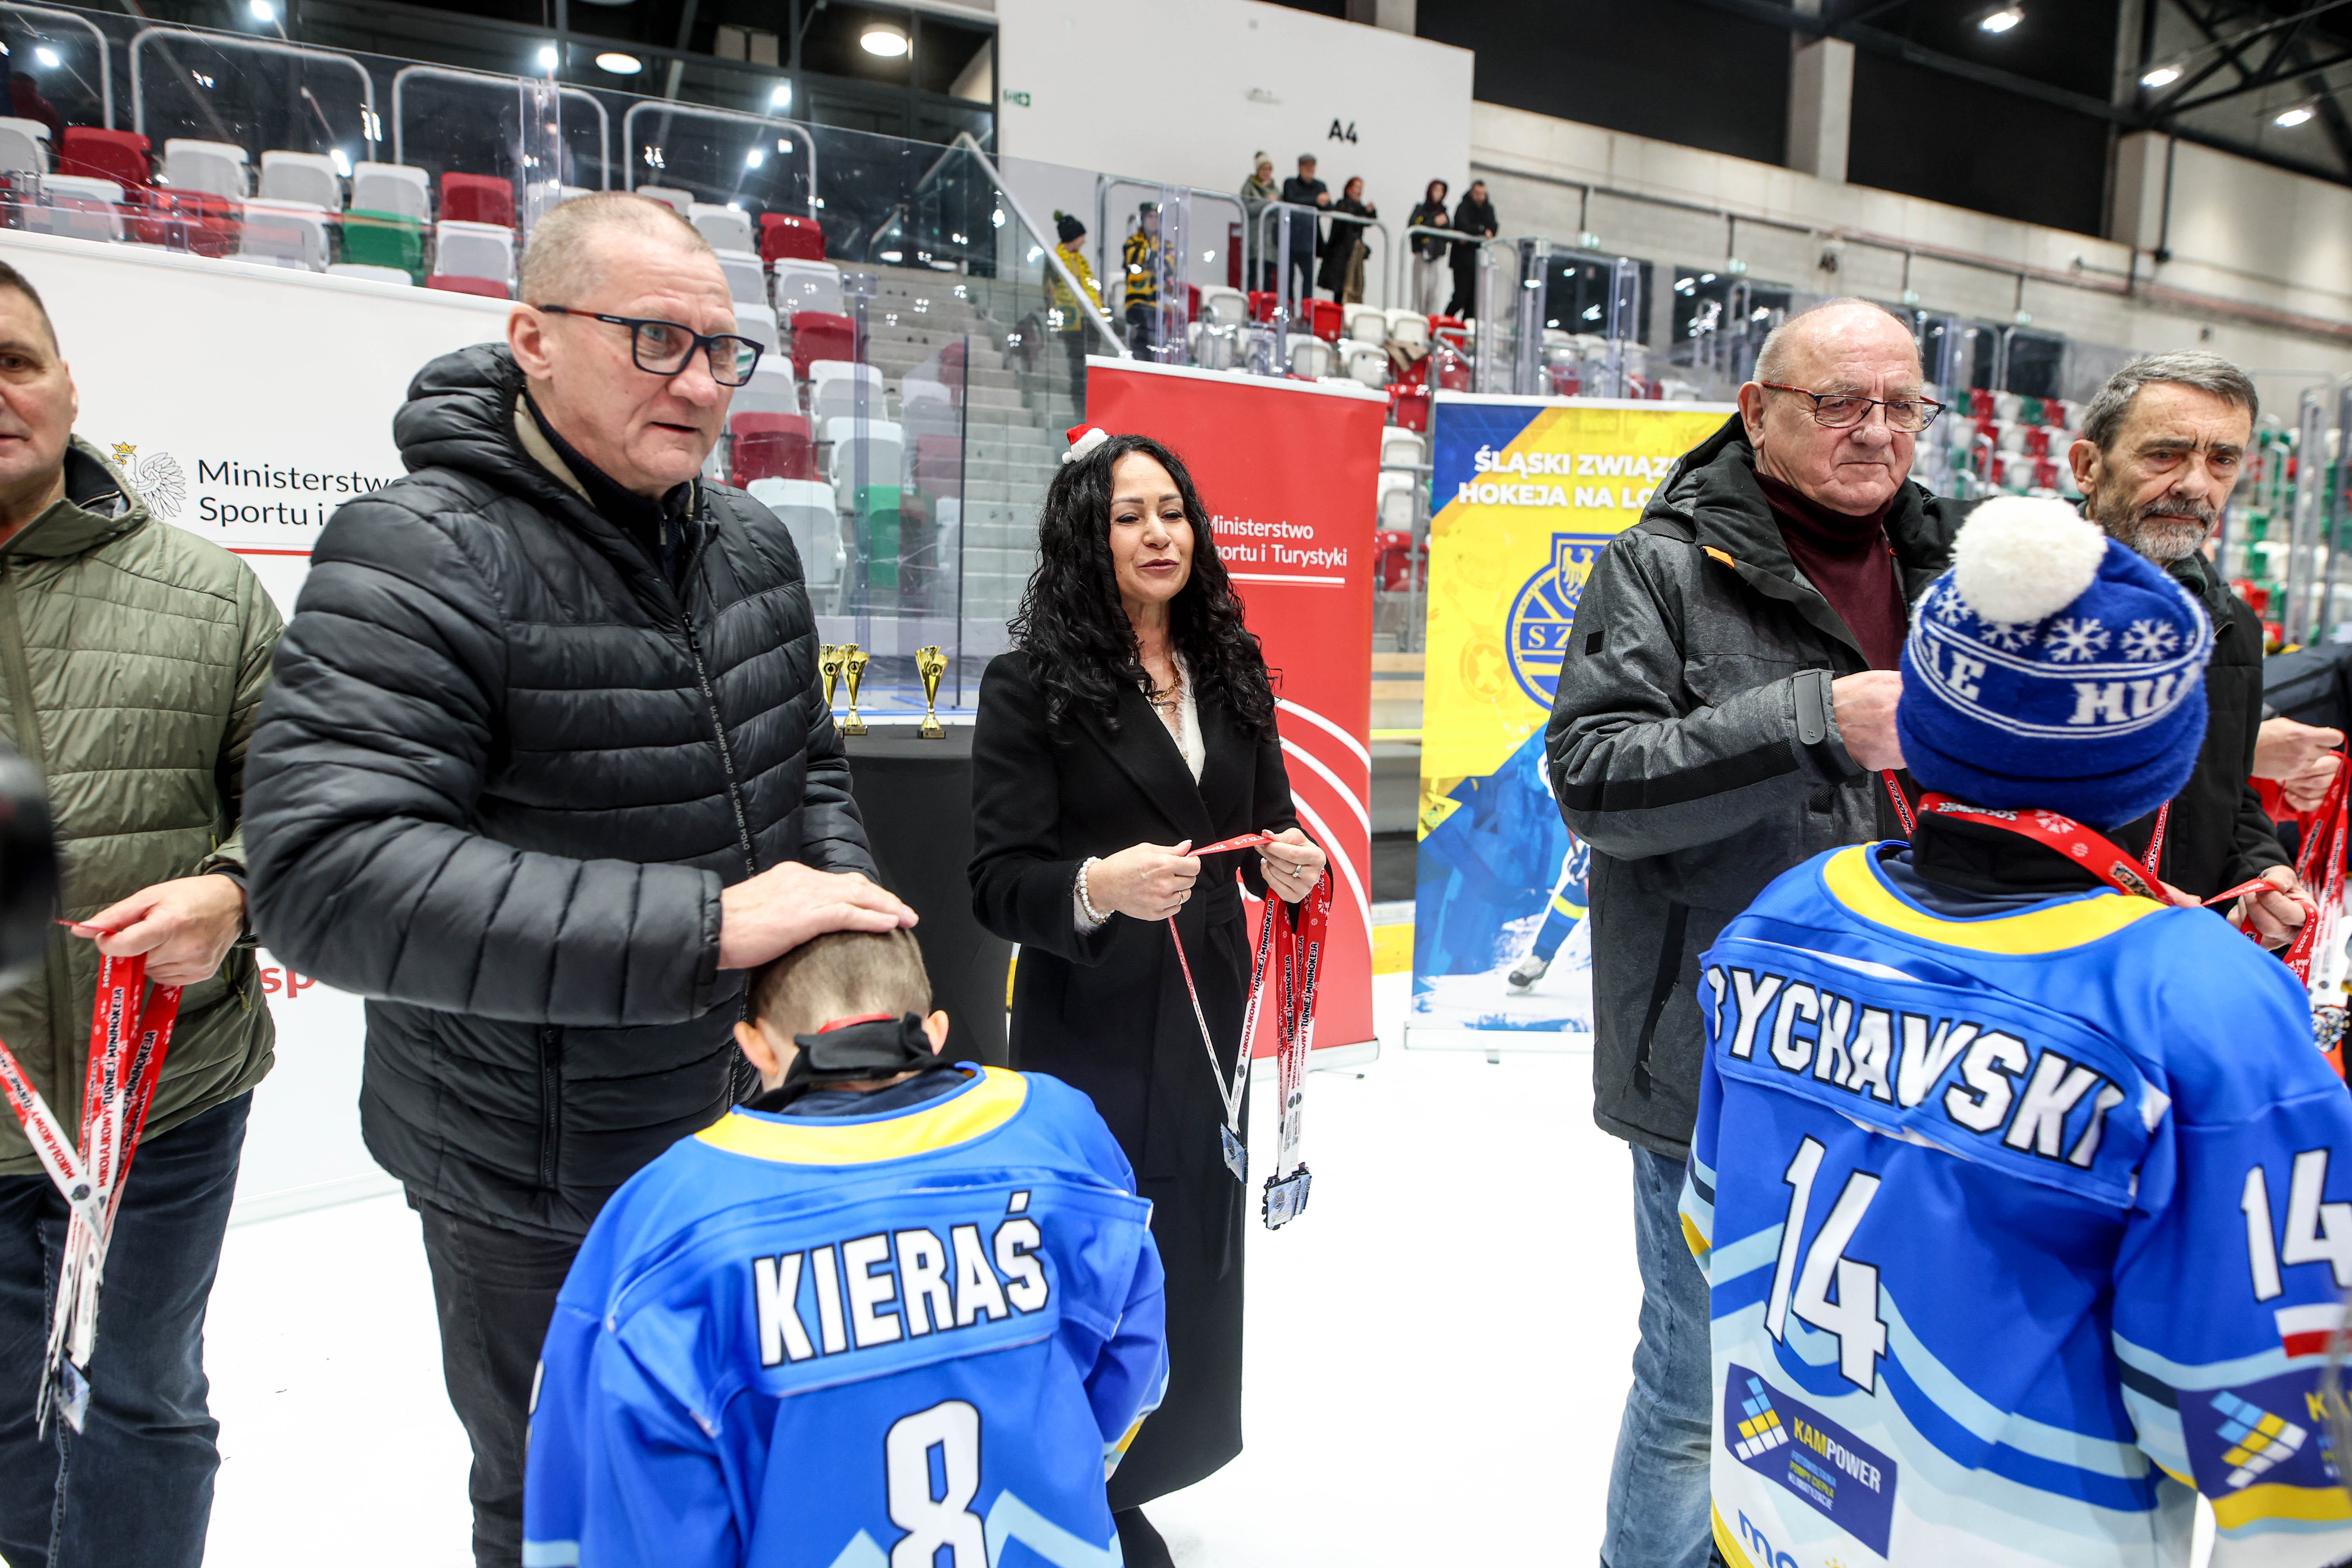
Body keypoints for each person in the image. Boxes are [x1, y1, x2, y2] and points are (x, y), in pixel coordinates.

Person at [242, 192, 915, 1568]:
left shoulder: (749, 541)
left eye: (723, 351)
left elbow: (806, 771)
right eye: (655, 339)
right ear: (533, 338)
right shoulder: (416, 548)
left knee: (748, 1470)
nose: (702, 384)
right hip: (529, 1181)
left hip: (748, 1122)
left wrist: (849, 964)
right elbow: (323, 872)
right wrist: (709, 926)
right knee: (567, 1506)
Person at [1687, 497, 2352, 1567]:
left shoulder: (1792, 908)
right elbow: (2268, 1410)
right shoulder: (2195, 998)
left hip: (1774, 1512)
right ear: (2160, 759)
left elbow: (1712, 1218)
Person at [1546, 298, 1979, 1568]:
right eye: (1840, 402)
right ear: (1757, 412)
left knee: (1858, 1379)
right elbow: (1595, 780)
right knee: (1697, 1386)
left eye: (1902, 405)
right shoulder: (1661, 568)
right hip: (1719, 1061)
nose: (1876, 430)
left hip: (1916, 1057)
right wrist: (1814, 723)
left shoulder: (1954, 570)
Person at [522, 927, 1167, 1568]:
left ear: (754, 1046)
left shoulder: (666, 1216)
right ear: (935, 1033)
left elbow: (631, 1503)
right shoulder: (1059, 1132)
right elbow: (1134, 1352)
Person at [968, 428, 1327, 1568]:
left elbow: (1266, 823)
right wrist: (1094, 886)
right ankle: (1077, 1486)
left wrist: (1288, 862)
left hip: (1209, 1016)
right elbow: (995, 881)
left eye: (1171, 511)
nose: (1157, 534)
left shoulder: (1230, 667)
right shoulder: (1030, 687)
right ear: (1088, 537)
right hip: (1093, 1026)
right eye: (1128, 516)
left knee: (1190, 1243)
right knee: (1093, 1254)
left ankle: (1149, 1466)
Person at [0, 261, 281, 1568]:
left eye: (15, 362)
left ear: (68, 387)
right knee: (7, 1426)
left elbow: (305, 803)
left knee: (143, 1401)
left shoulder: (208, 591)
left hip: (167, 1103)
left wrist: (233, 889)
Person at [2069, 351, 2309, 945]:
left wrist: (2258, 869)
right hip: (2035, 949)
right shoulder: (2012, 602)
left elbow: (2226, 796)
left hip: (2164, 954)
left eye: (2222, 460)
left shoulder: (2232, 627)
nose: (2196, 485)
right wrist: (2111, 892)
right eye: (2165, 455)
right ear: (2088, 466)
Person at [1046, 210, 1101, 418]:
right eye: (1081, 237)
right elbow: (1049, 291)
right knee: (1078, 369)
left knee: (1089, 369)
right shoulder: (1056, 260)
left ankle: (1088, 407)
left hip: (1089, 321)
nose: (1083, 241)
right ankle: (1080, 411)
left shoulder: (1081, 261)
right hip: (1070, 321)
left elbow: (1091, 289)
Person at [1278, 153, 1330, 307]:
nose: (1310, 170)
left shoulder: (1320, 186)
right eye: (1306, 166)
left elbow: (1328, 206)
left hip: (1309, 241)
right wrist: (1316, 201)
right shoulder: (1290, 183)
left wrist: (1323, 202)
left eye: (1312, 166)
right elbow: (1291, 200)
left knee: (1308, 280)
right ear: (1299, 168)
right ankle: (1289, 310)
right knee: (1288, 279)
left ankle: (1307, 313)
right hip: (1290, 238)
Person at [1316, 176, 1376, 305]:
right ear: (1349, 190)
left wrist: (1370, 212)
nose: (1360, 191)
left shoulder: (1360, 209)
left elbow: (1370, 221)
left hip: (1351, 255)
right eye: (1357, 188)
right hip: (1340, 256)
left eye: (1361, 188)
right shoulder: (1342, 204)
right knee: (1340, 291)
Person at [1445, 180, 1497, 319]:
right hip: (1462, 261)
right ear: (1472, 193)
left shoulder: (1488, 209)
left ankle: (1466, 328)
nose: (1480, 197)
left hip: (1479, 262)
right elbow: (1463, 226)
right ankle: (1446, 322)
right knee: (1460, 297)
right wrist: (1481, 230)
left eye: (1483, 194)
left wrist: (1480, 231)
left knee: (1473, 302)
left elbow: (1494, 227)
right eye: (1478, 193)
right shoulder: (1463, 207)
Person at [1120, 202, 1163, 358]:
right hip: (1136, 301)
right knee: (1145, 323)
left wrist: (1151, 259)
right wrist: (1152, 257)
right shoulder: (1133, 242)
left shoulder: (1165, 244)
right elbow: (1133, 259)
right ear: (1143, 219)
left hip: (1158, 303)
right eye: (1150, 217)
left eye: (1157, 217)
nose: (1154, 221)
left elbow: (1168, 266)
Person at [1405, 178, 1452, 319]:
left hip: (1438, 257)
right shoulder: (1420, 209)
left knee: (1435, 294)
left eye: (1441, 191)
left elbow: (1449, 235)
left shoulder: (1444, 213)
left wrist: (1443, 224)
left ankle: (1431, 322)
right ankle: (1417, 321)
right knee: (1420, 292)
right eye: (1436, 190)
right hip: (1422, 255)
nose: (1438, 194)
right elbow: (1414, 227)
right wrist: (1434, 222)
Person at [1239, 153, 1279, 290]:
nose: (1266, 173)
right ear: (1258, 170)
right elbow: (1246, 208)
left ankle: (1264, 301)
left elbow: (1280, 212)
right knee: (1252, 274)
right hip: (1254, 239)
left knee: (1268, 276)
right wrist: (1267, 203)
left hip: (1270, 243)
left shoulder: (1276, 190)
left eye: (1269, 169)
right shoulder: (1249, 187)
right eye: (1263, 169)